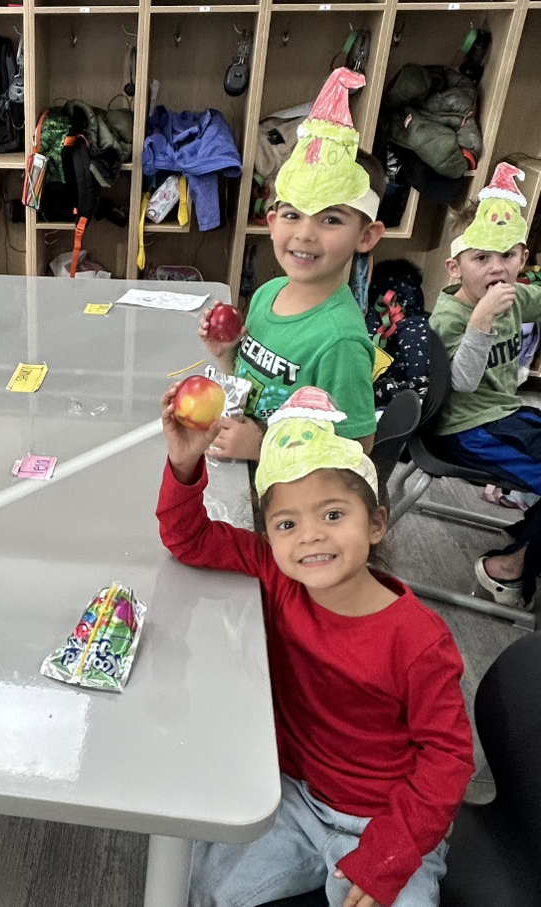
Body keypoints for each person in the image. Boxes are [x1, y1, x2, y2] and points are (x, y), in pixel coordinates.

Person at [156, 384, 474, 907]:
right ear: (269, 536)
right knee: (203, 888)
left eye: (332, 515)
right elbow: (188, 538)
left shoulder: (419, 640)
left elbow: (448, 759)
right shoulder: (277, 575)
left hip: (385, 820)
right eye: (287, 524)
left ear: (375, 523)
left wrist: (388, 858)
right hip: (296, 798)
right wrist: (184, 463)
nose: (309, 536)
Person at [199, 68, 386, 461]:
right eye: (292, 215)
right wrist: (226, 353)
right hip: (241, 467)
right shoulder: (268, 293)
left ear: (366, 237)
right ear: (270, 223)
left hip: (285, 494)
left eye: (331, 219)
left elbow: (356, 449)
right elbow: (253, 384)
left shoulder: (340, 342)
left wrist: (263, 446)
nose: (305, 233)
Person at [429, 162, 541, 610]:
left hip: (506, 415)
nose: (497, 269)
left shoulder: (516, 293)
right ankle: (505, 570)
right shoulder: (451, 316)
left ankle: (525, 535)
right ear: (455, 267)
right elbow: (460, 382)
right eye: (481, 258)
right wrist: (481, 321)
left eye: (508, 256)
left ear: (522, 259)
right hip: (465, 428)